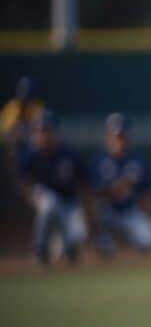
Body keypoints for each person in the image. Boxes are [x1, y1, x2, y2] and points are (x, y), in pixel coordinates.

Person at [17, 110, 94, 265]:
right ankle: (40, 249)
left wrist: (87, 213)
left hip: (70, 205)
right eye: (40, 131)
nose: (44, 135)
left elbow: (85, 184)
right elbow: (22, 178)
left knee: (79, 235)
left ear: (55, 132)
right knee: (50, 204)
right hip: (47, 200)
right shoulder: (31, 153)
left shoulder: (69, 153)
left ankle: (66, 249)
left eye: (47, 130)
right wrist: (31, 198)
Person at [92, 113, 151, 257]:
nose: (120, 140)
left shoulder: (137, 160)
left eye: (123, 135)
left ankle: (130, 254)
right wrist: (116, 188)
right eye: (116, 136)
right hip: (107, 211)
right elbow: (91, 194)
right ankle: (103, 241)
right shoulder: (100, 160)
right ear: (108, 137)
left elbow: (146, 195)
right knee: (98, 210)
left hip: (128, 210)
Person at [2, 77, 45, 168]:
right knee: (12, 149)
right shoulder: (12, 107)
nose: (25, 102)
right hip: (13, 148)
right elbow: (6, 134)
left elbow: (39, 133)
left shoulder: (37, 107)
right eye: (23, 99)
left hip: (31, 147)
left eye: (28, 99)